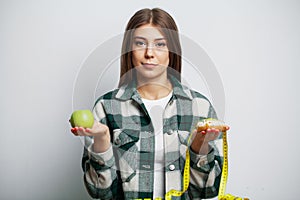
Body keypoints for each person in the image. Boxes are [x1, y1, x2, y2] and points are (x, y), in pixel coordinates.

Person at [70, 8, 226, 200]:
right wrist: (102, 140)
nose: (149, 53)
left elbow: (207, 190)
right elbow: (100, 191)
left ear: (172, 50)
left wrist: (199, 148)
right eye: (140, 43)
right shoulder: (106, 107)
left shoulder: (200, 108)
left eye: (160, 44)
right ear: (129, 50)